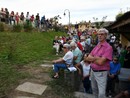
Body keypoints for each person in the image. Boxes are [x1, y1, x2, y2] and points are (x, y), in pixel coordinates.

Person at [86, 28, 113, 98]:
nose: (99, 36)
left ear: (106, 35)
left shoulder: (108, 47)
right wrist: (97, 58)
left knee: (101, 94)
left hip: (101, 72)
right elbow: (88, 57)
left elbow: (101, 62)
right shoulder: (97, 45)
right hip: (93, 71)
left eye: (102, 34)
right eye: (98, 34)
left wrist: (93, 58)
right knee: (94, 90)